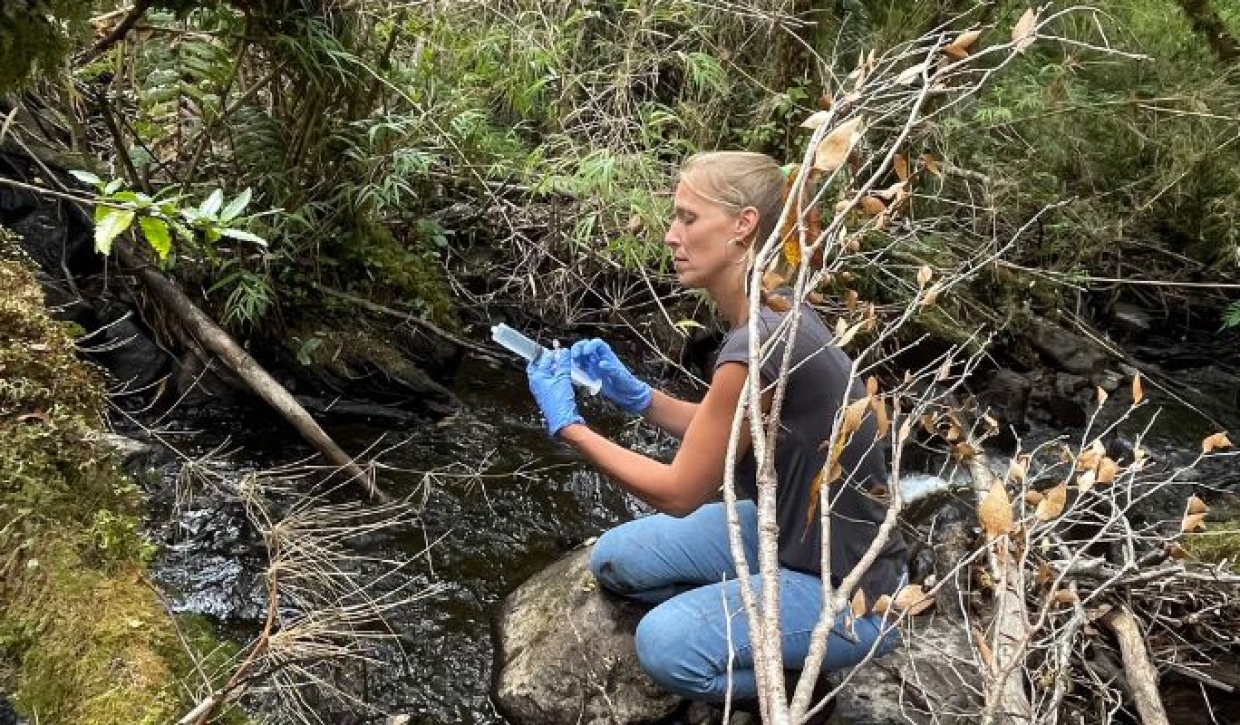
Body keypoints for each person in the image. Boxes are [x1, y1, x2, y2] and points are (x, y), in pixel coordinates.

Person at [524, 151, 907, 708]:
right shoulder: (773, 315)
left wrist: (570, 428)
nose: (670, 235)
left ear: (742, 226)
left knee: (665, 644)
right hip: (785, 533)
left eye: (687, 218)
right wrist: (634, 396)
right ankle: (753, 625)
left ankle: (796, 690)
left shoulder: (764, 340)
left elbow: (680, 493)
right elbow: (722, 433)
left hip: (851, 590)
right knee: (614, 558)